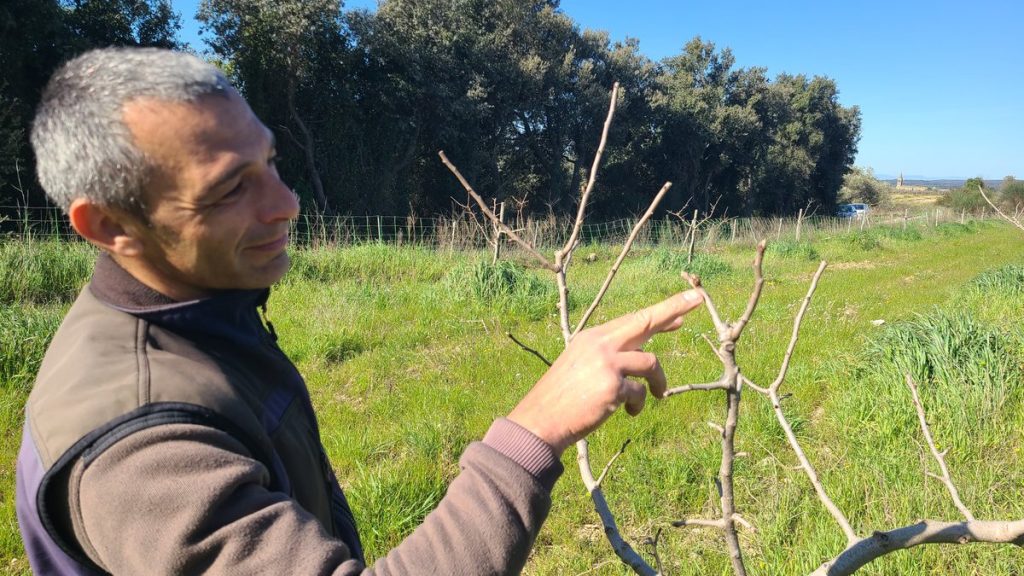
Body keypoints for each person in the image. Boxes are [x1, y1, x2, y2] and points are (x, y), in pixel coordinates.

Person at [16, 47, 703, 575]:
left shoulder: (191, 312)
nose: (286, 204)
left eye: (271, 163)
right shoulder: (137, 451)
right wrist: (536, 430)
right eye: (229, 189)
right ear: (109, 226)